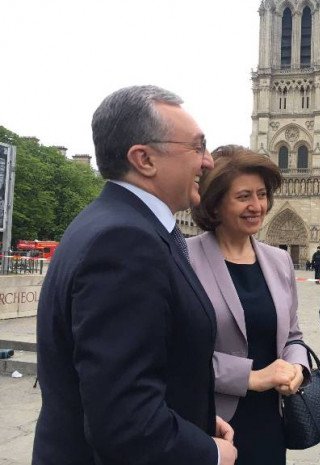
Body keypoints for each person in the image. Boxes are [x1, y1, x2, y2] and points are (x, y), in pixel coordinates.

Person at [32, 85, 236, 465]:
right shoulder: (124, 242)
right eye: (197, 147)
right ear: (144, 159)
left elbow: (138, 372)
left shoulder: (118, 224)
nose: (208, 161)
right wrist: (208, 453)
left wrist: (194, 419)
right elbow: (124, 421)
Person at [187, 145, 309, 465]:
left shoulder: (279, 260)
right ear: (215, 204)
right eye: (244, 196)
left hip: (270, 421)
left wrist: (297, 368)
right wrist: (251, 377)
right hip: (210, 421)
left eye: (262, 194)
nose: (257, 206)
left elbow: (293, 336)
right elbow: (176, 352)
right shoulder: (184, 259)